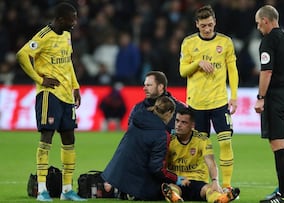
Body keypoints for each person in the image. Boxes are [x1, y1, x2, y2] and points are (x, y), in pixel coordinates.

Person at [16, 2, 86, 202]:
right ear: (61, 19)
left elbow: (68, 62)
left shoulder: (67, 35)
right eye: (72, 19)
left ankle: (66, 190)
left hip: (66, 95)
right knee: (46, 138)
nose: (74, 22)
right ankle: (42, 190)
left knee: (69, 139)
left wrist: (75, 86)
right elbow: (22, 55)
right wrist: (40, 80)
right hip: (49, 94)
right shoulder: (43, 36)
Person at [179, 5, 239, 188]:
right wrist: (198, 63)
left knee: (226, 142)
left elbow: (232, 70)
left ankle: (226, 187)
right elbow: (182, 71)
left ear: (215, 22)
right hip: (196, 104)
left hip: (219, 101)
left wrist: (234, 96)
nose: (207, 29)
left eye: (210, 25)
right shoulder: (188, 43)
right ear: (197, 24)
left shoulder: (225, 42)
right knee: (202, 148)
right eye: (203, 25)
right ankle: (208, 184)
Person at [254, 5, 284, 203]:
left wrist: (261, 97)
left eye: (258, 23)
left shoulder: (268, 41)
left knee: (278, 146)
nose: (258, 27)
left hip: (275, 97)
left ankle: (283, 195)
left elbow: (266, 72)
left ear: (266, 20)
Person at [101, 96, 189, 200]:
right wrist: (176, 178)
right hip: (136, 183)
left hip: (116, 175)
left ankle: (118, 189)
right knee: (167, 185)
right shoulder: (161, 135)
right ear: (169, 113)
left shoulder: (137, 118)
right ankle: (134, 193)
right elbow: (156, 168)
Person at [162, 107, 240, 203]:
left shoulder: (202, 140)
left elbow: (211, 163)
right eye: (177, 121)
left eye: (184, 122)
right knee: (171, 188)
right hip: (178, 181)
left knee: (210, 189)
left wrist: (215, 181)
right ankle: (175, 197)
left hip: (197, 181)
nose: (178, 125)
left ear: (192, 125)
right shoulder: (169, 139)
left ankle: (219, 199)